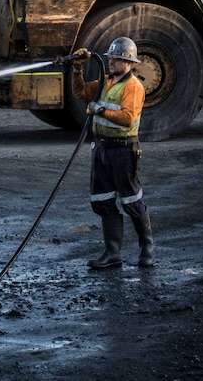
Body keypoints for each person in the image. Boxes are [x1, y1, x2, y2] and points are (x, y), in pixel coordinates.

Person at [71, 37, 155, 268]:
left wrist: (100, 109)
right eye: (111, 58)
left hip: (123, 150)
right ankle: (112, 254)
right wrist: (77, 68)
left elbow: (128, 118)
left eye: (118, 59)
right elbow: (80, 93)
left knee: (131, 200)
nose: (112, 62)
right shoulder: (105, 82)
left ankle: (147, 248)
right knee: (103, 200)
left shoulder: (133, 87)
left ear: (128, 62)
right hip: (102, 149)